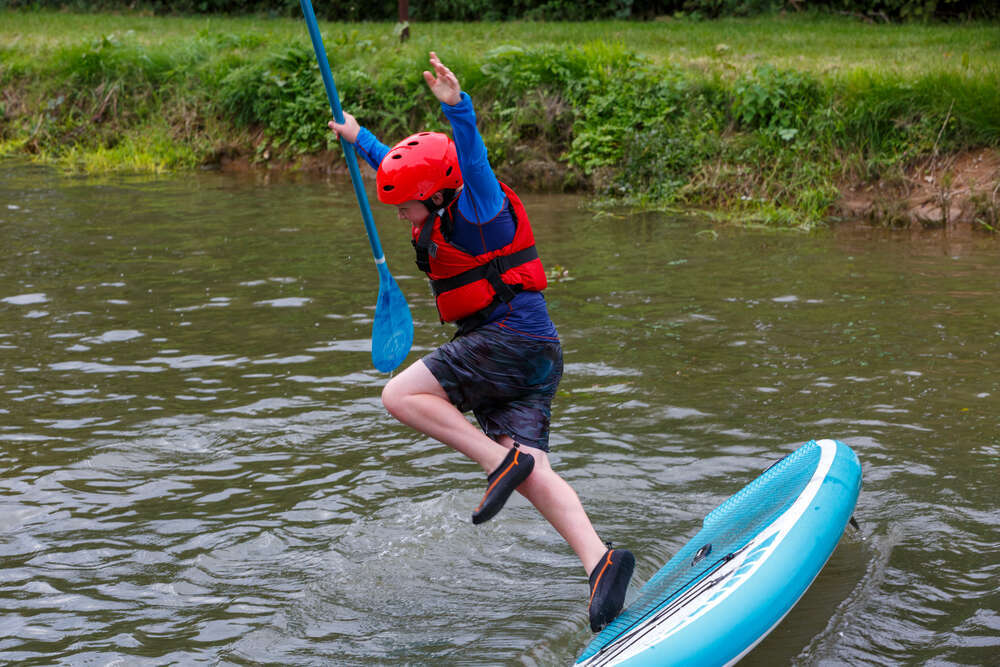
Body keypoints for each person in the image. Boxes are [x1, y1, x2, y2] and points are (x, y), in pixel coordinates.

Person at [329, 51, 634, 632]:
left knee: (400, 397)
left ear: (438, 194)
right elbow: (406, 170)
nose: (400, 216)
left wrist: (458, 111)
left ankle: (500, 461)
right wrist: (361, 137)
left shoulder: (481, 208)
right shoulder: (438, 206)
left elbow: (470, 161)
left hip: (506, 337)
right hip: (534, 352)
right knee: (535, 474)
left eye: (406, 206)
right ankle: (601, 561)